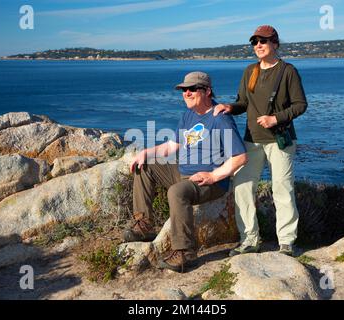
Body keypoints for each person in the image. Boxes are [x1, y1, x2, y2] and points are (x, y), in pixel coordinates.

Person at [124, 71, 247, 273]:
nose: (186, 93)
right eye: (184, 90)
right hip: (183, 172)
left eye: (192, 89)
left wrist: (214, 176)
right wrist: (146, 152)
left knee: (177, 191)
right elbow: (172, 146)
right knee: (144, 166)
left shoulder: (220, 118)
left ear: (207, 91)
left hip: (209, 182)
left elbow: (240, 157)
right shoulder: (188, 115)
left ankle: (185, 253)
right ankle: (144, 224)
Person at [214, 25, 308, 257]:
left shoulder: (288, 71)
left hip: (279, 141)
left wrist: (275, 118)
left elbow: (300, 105)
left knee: (282, 190)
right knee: (243, 188)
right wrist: (229, 107)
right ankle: (249, 240)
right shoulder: (250, 71)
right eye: (255, 42)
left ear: (275, 44)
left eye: (263, 41)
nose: (258, 45)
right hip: (252, 140)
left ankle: (286, 243)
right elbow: (243, 102)